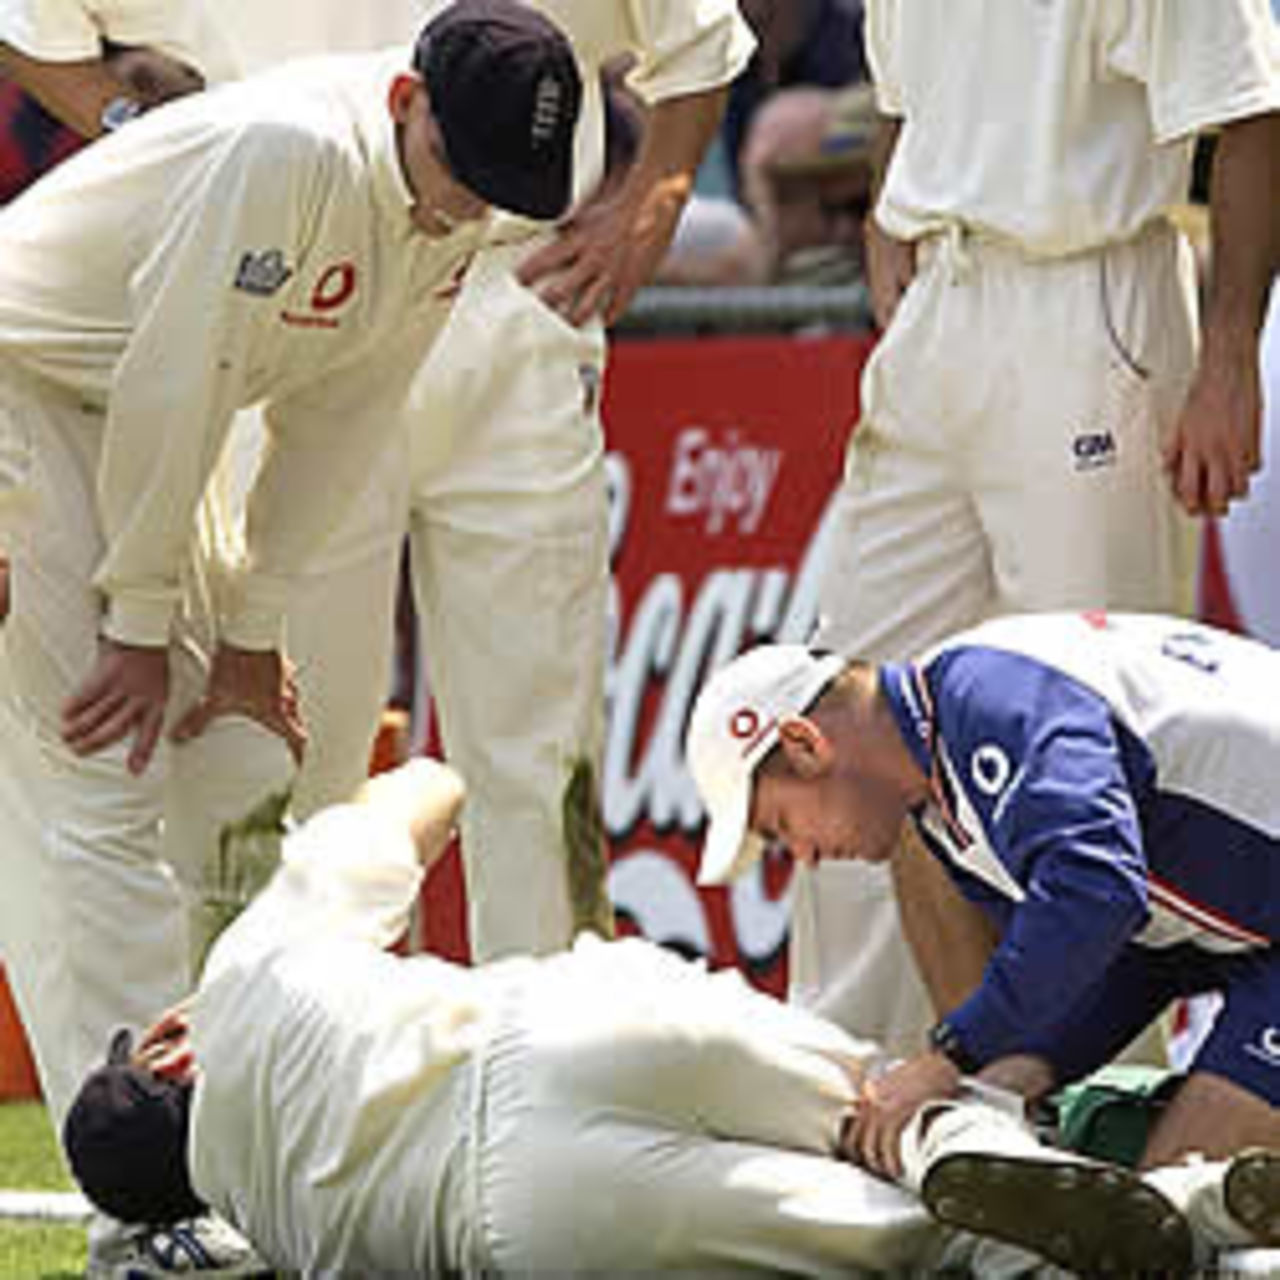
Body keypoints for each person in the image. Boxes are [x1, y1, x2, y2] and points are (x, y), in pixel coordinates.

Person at [0, 2, 586, 1271]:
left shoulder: (449, 203)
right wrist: (139, 619)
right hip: (24, 387)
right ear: (402, 103)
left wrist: (255, 631)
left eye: (493, 192)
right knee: (91, 790)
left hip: (143, 434)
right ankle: (139, 1204)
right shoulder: (288, 148)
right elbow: (178, 370)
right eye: (455, 176)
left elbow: (341, 416)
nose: (461, 213)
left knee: (232, 771)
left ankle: (226, 1152)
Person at [61, 756, 1212, 1277]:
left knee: (918, 1247)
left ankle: (1203, 1225)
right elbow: (427, 784)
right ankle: (964, 1140)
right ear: (170, 1047)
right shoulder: (252, 971)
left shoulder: (281, 1232)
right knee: (879, 1100)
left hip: (519, 1217)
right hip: (550, 1025)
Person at [209, 0, 758, 964]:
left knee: (540, 743)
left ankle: (548, 1067)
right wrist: (145, 139)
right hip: (305, 288)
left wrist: (654, 202)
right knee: (302, 736)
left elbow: (701, 41)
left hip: (515, 286)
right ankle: (304, 1062)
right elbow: (40, 31)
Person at [793, 0, 1280, 1063]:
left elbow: (1249, 112)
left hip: (1089, 293)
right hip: (939, 299)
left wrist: (1231, 352)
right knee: (859, 700)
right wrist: (888, 208)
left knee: (1105, 731)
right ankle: (849, 1080)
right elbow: (899, 99)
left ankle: (1103, 1114)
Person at [686, 611, 1280, 1222]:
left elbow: (1096, 894)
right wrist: (1009, 1080)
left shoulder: (987, 696)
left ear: (805, 745)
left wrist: (953, 1057)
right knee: (1158, 1218)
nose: (805, 859)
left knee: (1168, 1222)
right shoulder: (942, 779)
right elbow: (1144, 954)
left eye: (782, 829)